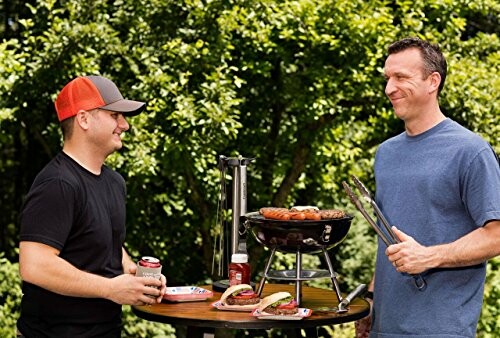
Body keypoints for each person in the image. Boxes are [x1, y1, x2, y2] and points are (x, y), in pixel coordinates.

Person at [355, 37, 500, 338]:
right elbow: (388, 239)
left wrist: (429, 256)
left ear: (433, 81)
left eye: (401, 78)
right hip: (385, 327)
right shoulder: (386, 153)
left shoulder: (470, 151)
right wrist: (371, 300)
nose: (389, 88)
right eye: (387, 78)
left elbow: (496, 236)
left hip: (440, 329)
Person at [17, 75, 167, 337]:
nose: (125, 125)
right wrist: (110, 288)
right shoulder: (57, 183)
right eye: (115, 116)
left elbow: (104, 240)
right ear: (84, 119)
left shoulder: (114, 182)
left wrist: (134, 274)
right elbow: (34, 265)